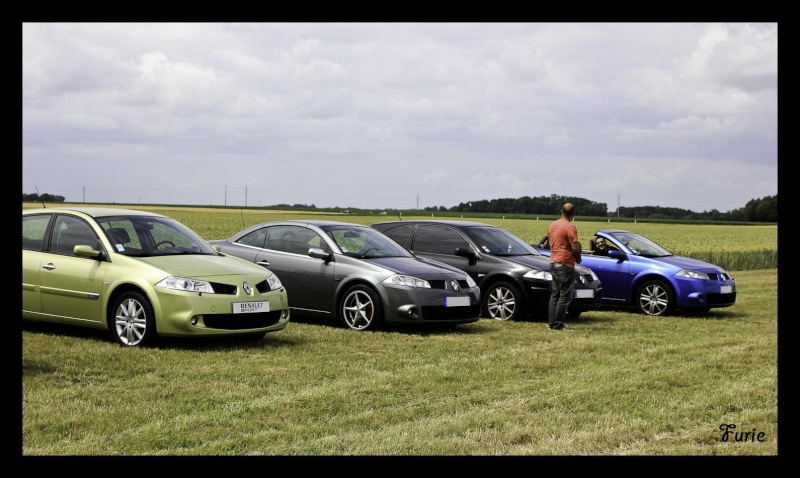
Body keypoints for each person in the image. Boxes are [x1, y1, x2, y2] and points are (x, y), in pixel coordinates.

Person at [547, 203, 581, 331]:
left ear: (561, 211)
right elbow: (575, 247)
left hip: (553, 262)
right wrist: (578, 257)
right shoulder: (570, 227)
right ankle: (559, 324)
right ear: (573, 214)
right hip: (565, 264)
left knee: (555, 295)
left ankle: (552, 324)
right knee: (565, 296)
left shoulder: (552, 225)